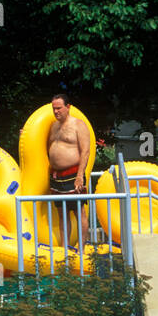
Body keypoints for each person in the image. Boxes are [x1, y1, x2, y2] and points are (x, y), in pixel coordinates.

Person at [46, 94, 91, 245]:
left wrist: (80, 176)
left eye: (59, 108)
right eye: (54, 109)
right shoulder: (53, 126)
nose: (56, 111)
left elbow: (85, 151)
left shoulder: (79, 125)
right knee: (62, 214)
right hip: (56, 175)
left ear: (68, 107)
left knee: (79, 211)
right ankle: (65, 250)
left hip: (73, 173)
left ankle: (82, 249)